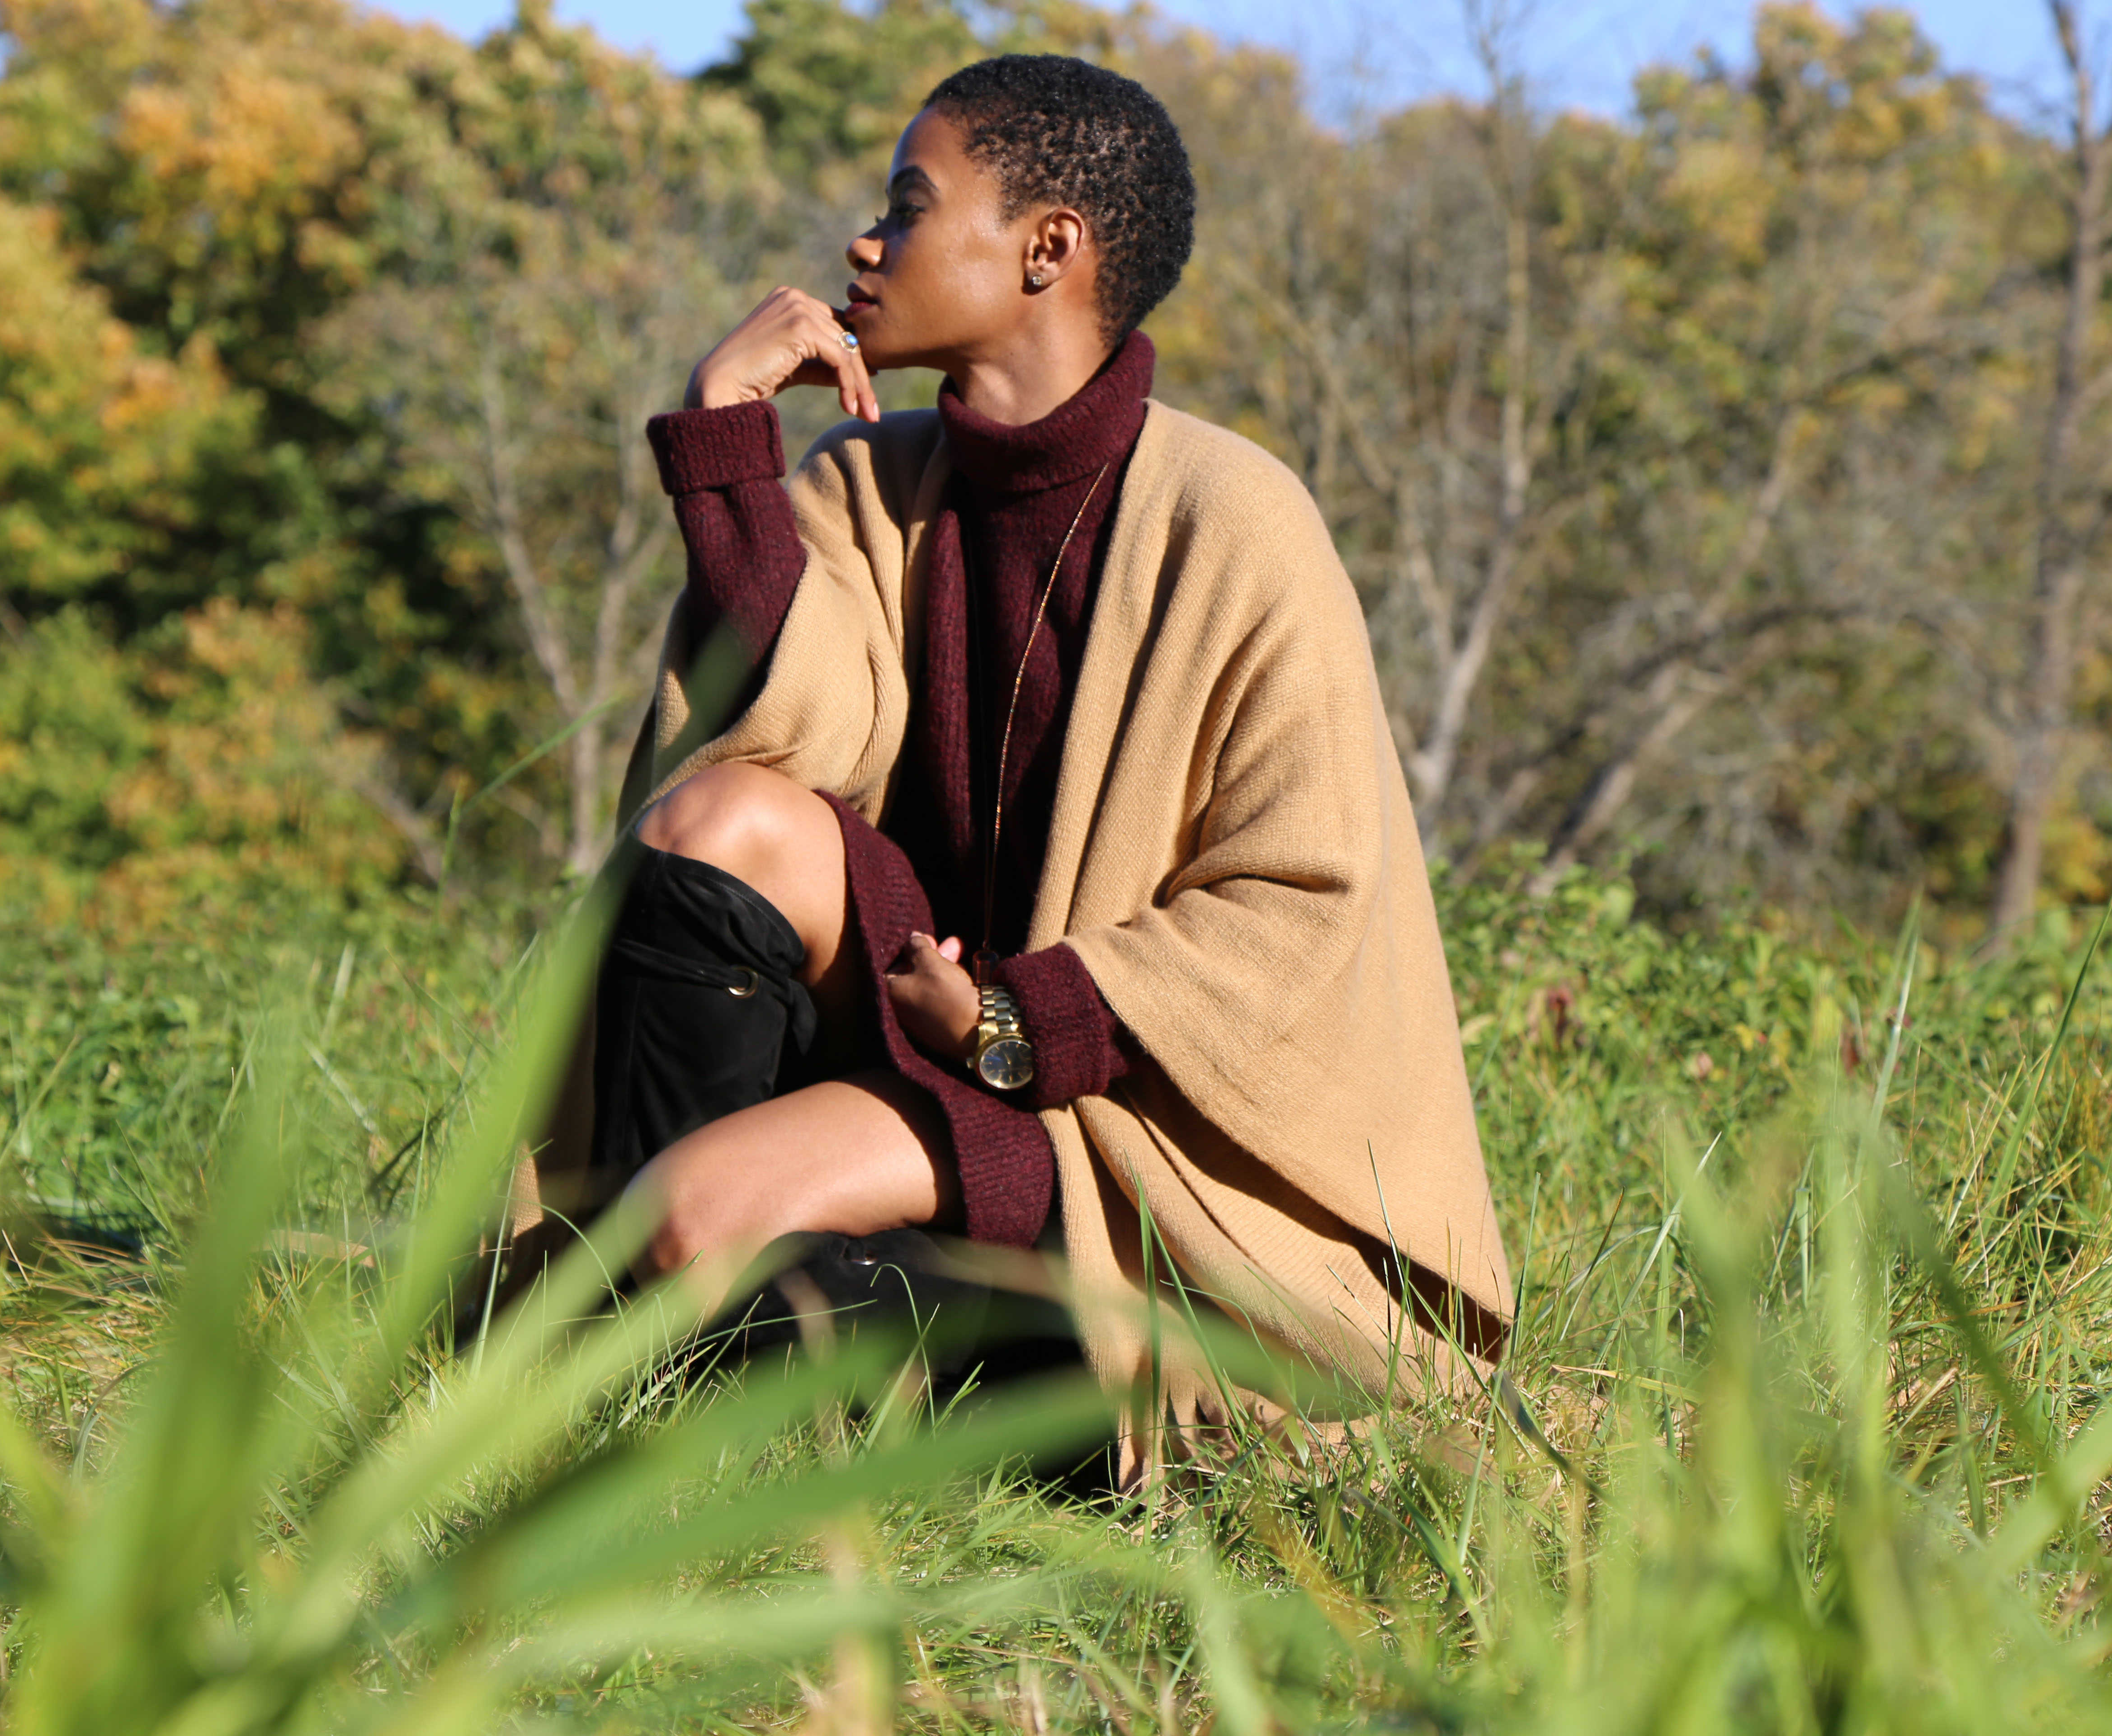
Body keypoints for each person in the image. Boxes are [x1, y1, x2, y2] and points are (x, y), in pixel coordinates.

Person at [530, 53, 1510, 1457]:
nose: (865, 243)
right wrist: (729, 452)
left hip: (1107, 1127)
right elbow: (780, 740)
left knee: (696, 1222)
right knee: (721, 824)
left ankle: (1065, 1389)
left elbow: (1301, 908)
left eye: (909, 204)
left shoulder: (1234, 520)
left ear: (1049, 248)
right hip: (900, 1033)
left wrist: (1009, 1024)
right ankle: (663, 1342)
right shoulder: (872, 480)